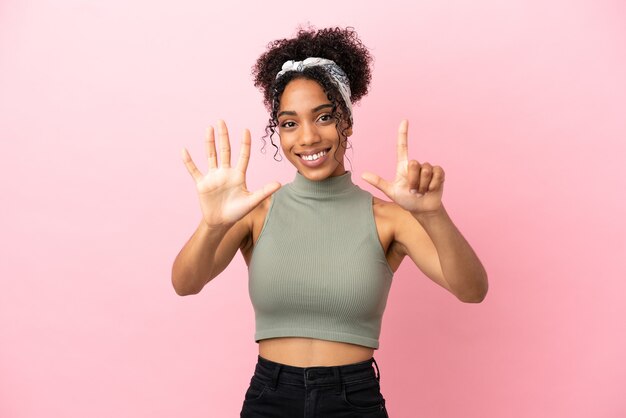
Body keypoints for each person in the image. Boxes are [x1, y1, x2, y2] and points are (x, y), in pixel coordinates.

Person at [172, 26, 488, 417]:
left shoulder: (388, 219)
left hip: (352, 399)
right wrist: (212, 225)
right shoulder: (255, 213)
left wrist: (433, 215)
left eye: (323, 117)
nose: (307, 137)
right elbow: (185, 284)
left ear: (348, 122)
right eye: (289, 123)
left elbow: (473, 290)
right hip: (270, 396)